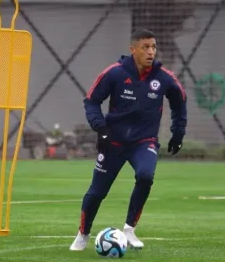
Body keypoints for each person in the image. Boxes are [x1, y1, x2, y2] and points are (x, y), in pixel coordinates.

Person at [69, 29, 187, 250]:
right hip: (112, 141)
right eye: (145, 47)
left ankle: (129, 229)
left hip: (144, 141)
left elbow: (180, 102)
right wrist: (101, 128)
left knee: (145, 175)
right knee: (97, 192)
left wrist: (178, 133)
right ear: (133, 50)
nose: (151, 51)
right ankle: (83, 234)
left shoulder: (164, 78)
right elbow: (91, 101)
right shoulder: (114, 73)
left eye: (153, 46)